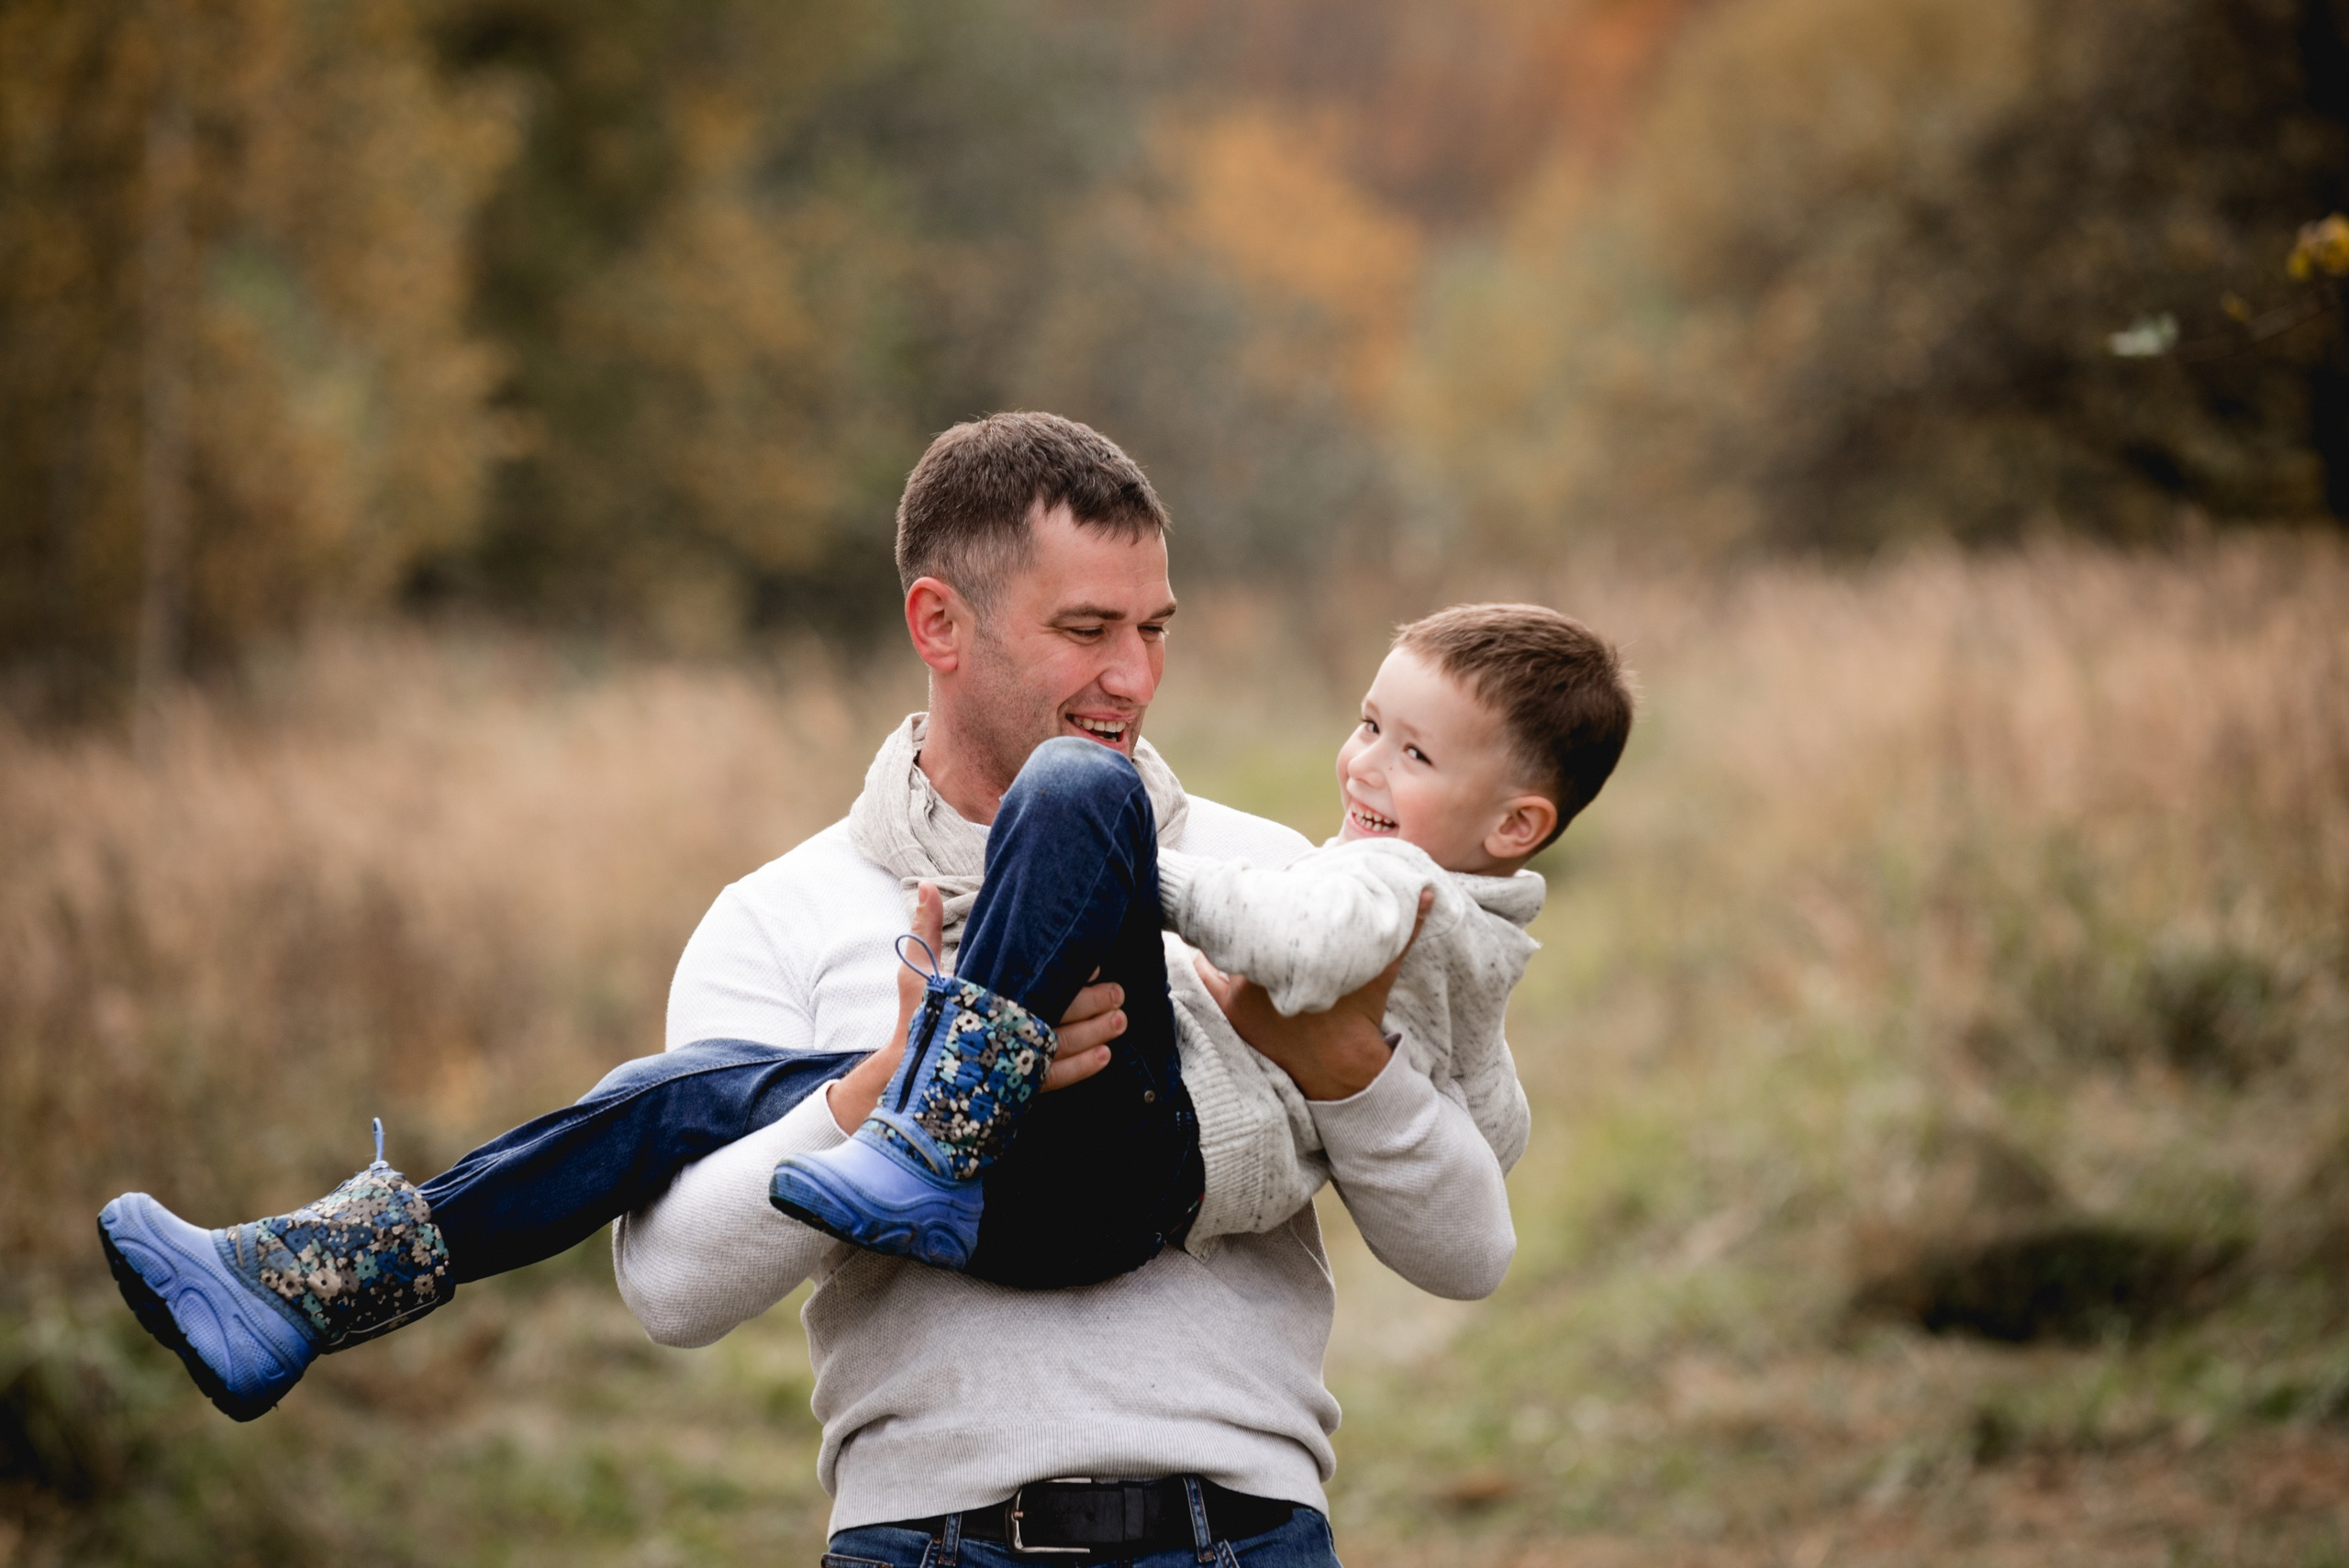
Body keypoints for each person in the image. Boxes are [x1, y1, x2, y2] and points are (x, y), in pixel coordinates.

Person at [770, 601, 1634, 1267]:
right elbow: (1498, 1126)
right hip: (1133, 1174)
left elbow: (1295, 946)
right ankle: (672, 1120)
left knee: (1081, 785)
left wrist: (1133, 866)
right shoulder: (1472, 930)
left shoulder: (1395, 880)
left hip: (1151, 1162)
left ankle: (930, 1146)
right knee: (751, 1082)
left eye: (1416, 755)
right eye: (1371, 725)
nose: (1364, 763)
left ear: (1517, 826)